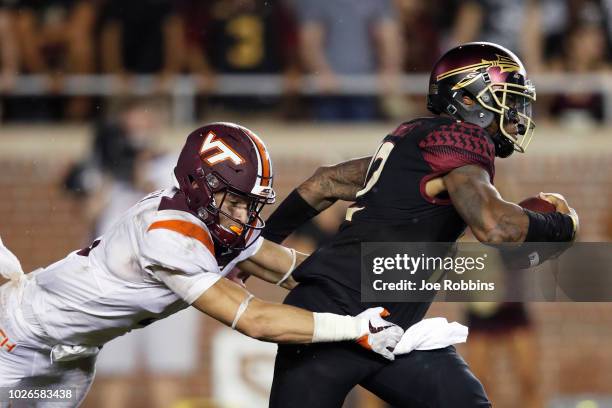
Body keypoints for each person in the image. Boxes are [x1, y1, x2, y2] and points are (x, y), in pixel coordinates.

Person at [262, 42, 579, 407]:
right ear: (470, 99)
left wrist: (262, 239)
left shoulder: (415, 140)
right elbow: (494, 226)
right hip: (334, 319)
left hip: (391, 328)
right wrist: (561, 226)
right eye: (507, 98)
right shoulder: (464, 141)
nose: (516, 113)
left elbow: (325, 182)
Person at [0, 123, 405, 407]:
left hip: (72, 358)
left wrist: (384, 275)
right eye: (236, 200)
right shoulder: (170, 234)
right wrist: (354, 328)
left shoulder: (208, 215)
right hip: (16, 340)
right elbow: (255, 321)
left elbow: (290, 268)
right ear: (200, 187)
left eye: (250, 203)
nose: (244, 213)